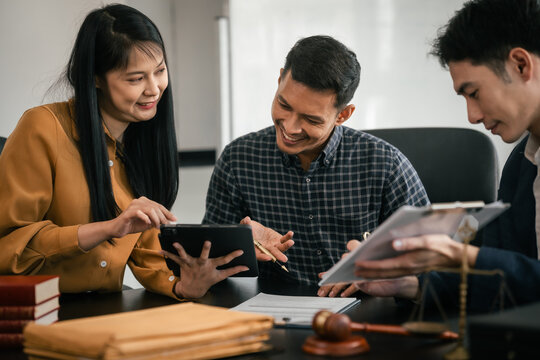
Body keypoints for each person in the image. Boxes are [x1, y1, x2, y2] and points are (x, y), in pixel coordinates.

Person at [0, 4, 247, 299]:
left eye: (160, 71)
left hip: (105, 308)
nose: (154, 89)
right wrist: (106, 229)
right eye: (136, 78)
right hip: (37, 310)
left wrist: (183, 286)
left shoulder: (141, 141)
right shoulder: (42, 127)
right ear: (94, 78)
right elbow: (8, 246)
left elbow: (147, 252)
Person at [338, 0, 540, 311]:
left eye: (473, 93)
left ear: (521, 65)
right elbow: (505, 288)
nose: (472, 116)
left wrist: (466, 257)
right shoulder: (521, 165)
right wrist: (409, 284)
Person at [203, 35, 429, 287]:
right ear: (279, 80)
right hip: (274, 312)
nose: (290, 127)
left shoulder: (387, 165)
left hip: (365, 311)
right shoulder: (238, 159)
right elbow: (207, 259)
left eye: (311, 120)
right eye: (283, 105)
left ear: (343, 114)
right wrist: (240, 239)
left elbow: (432, 262)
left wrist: (377, 272)